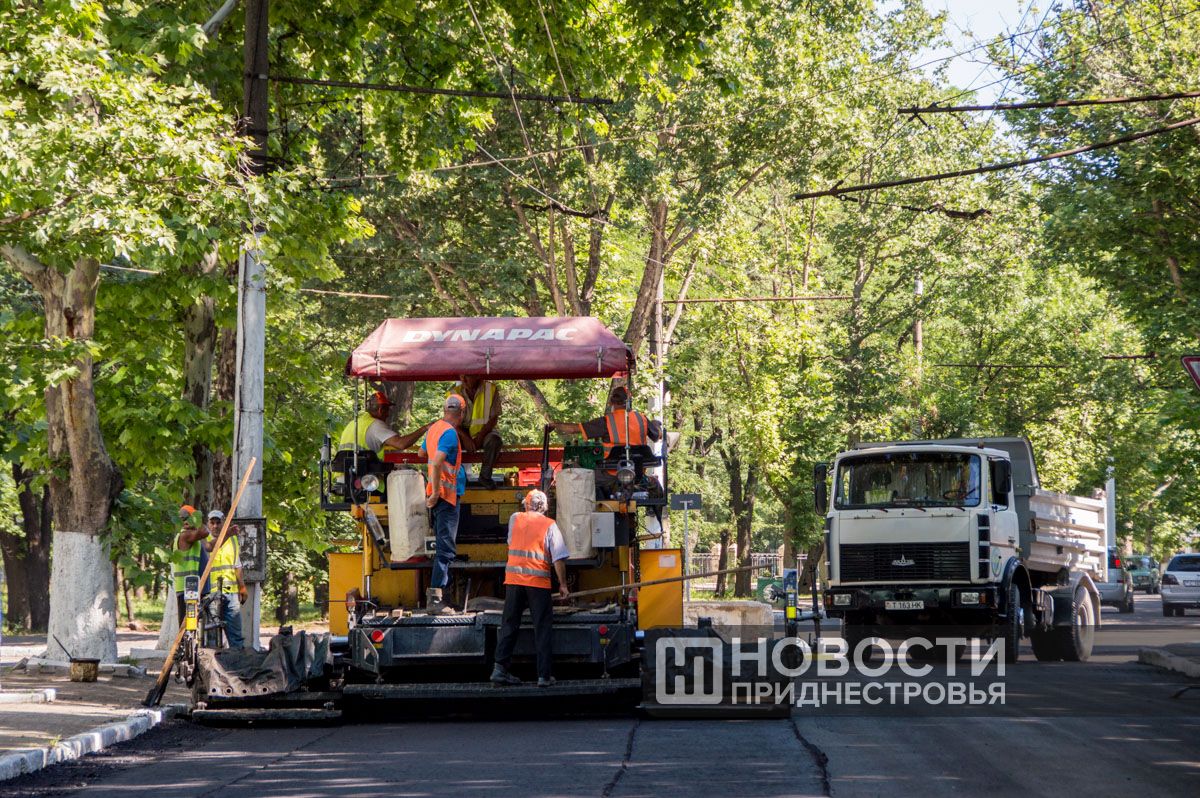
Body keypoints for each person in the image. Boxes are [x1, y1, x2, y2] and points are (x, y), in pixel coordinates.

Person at [490, 490, 570, 687]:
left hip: (514, 581)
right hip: (537, 583)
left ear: (526, 505)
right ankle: (543, 676)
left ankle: (499, 669)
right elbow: (558, 558)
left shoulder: (515, 518)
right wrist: (563, 585)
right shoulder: (549, 525)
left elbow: (511, 542)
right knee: (542, 628)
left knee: (509, 624)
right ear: (545, 507)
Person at [419, 393, 467, 613]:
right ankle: (437, 601)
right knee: (445, 550)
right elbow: (437, 462)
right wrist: (437, 492)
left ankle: (441, 598)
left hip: (438, 497)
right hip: (445, 498)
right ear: (463, 413)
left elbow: (422, 452)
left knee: (442, 547)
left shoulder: (435, 429)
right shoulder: (449, 433)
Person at [550, 385, 663, 457]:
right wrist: (655, 424)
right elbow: (657, 436)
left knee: (590, 479)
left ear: (611, 403)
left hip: (611, 472)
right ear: (629, 402)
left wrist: (555, 425)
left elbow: (574, 429)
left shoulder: (606, 421)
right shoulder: (641, 418)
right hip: (637, 471)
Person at [338, 390, 430, 457]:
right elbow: (401, 444)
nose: (388, 415)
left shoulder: (355, 422)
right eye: (387, 411)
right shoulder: (375, 425)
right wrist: (424, 428)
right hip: (363, 478)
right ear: (380, 410)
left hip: (344, 474)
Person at [203, 510, 246, 649]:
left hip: (231, 593)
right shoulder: (204, 540)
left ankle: (237, 665)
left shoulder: (233, 540)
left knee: (236, 635)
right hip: (211, 594)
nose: (215, 526)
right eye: (212, 523)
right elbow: (211, 547)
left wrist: (242, 587)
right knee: (212, 636)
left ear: (224, 523)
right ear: (208, 524)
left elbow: (237, 565)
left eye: (218, 522)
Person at [450, 375, 503, 482]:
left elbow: (493, 418)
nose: (463, 380)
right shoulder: (454, 393)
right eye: (462, 376)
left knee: (495, 440)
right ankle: (454, 478)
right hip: (462, 432)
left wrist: (480, 437)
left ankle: (485, 477)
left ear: (477, 376)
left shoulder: (491, 389)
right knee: (448, 439)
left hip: (485, 432)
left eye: (467, 376)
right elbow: (451, 421)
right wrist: (465, 437)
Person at [170, 504, 209, 627]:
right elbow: (205, 531)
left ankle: (189, 645)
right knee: (187, 624)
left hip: (191, 586)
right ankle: (182, 646)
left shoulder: (192, 537)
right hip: (187, 588)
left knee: (191, 623)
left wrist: (227, 533)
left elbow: (209, 546)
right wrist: (196, 522)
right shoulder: (185, 535)